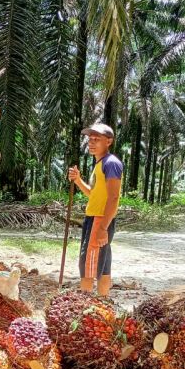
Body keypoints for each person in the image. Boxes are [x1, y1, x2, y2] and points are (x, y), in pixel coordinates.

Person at [67, 123, 123, 296]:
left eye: (97, 139)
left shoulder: (111, 163)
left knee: (88, 265)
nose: (92, 143)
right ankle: (103, 302)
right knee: (103, 264)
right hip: (95, 218)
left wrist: (102, 228)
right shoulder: (100, 164)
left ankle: (85, 305)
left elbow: (114, 198)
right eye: (90, 139)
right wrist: (78, 180)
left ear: (109, 141)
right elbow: (94, 194)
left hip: (100, 219)